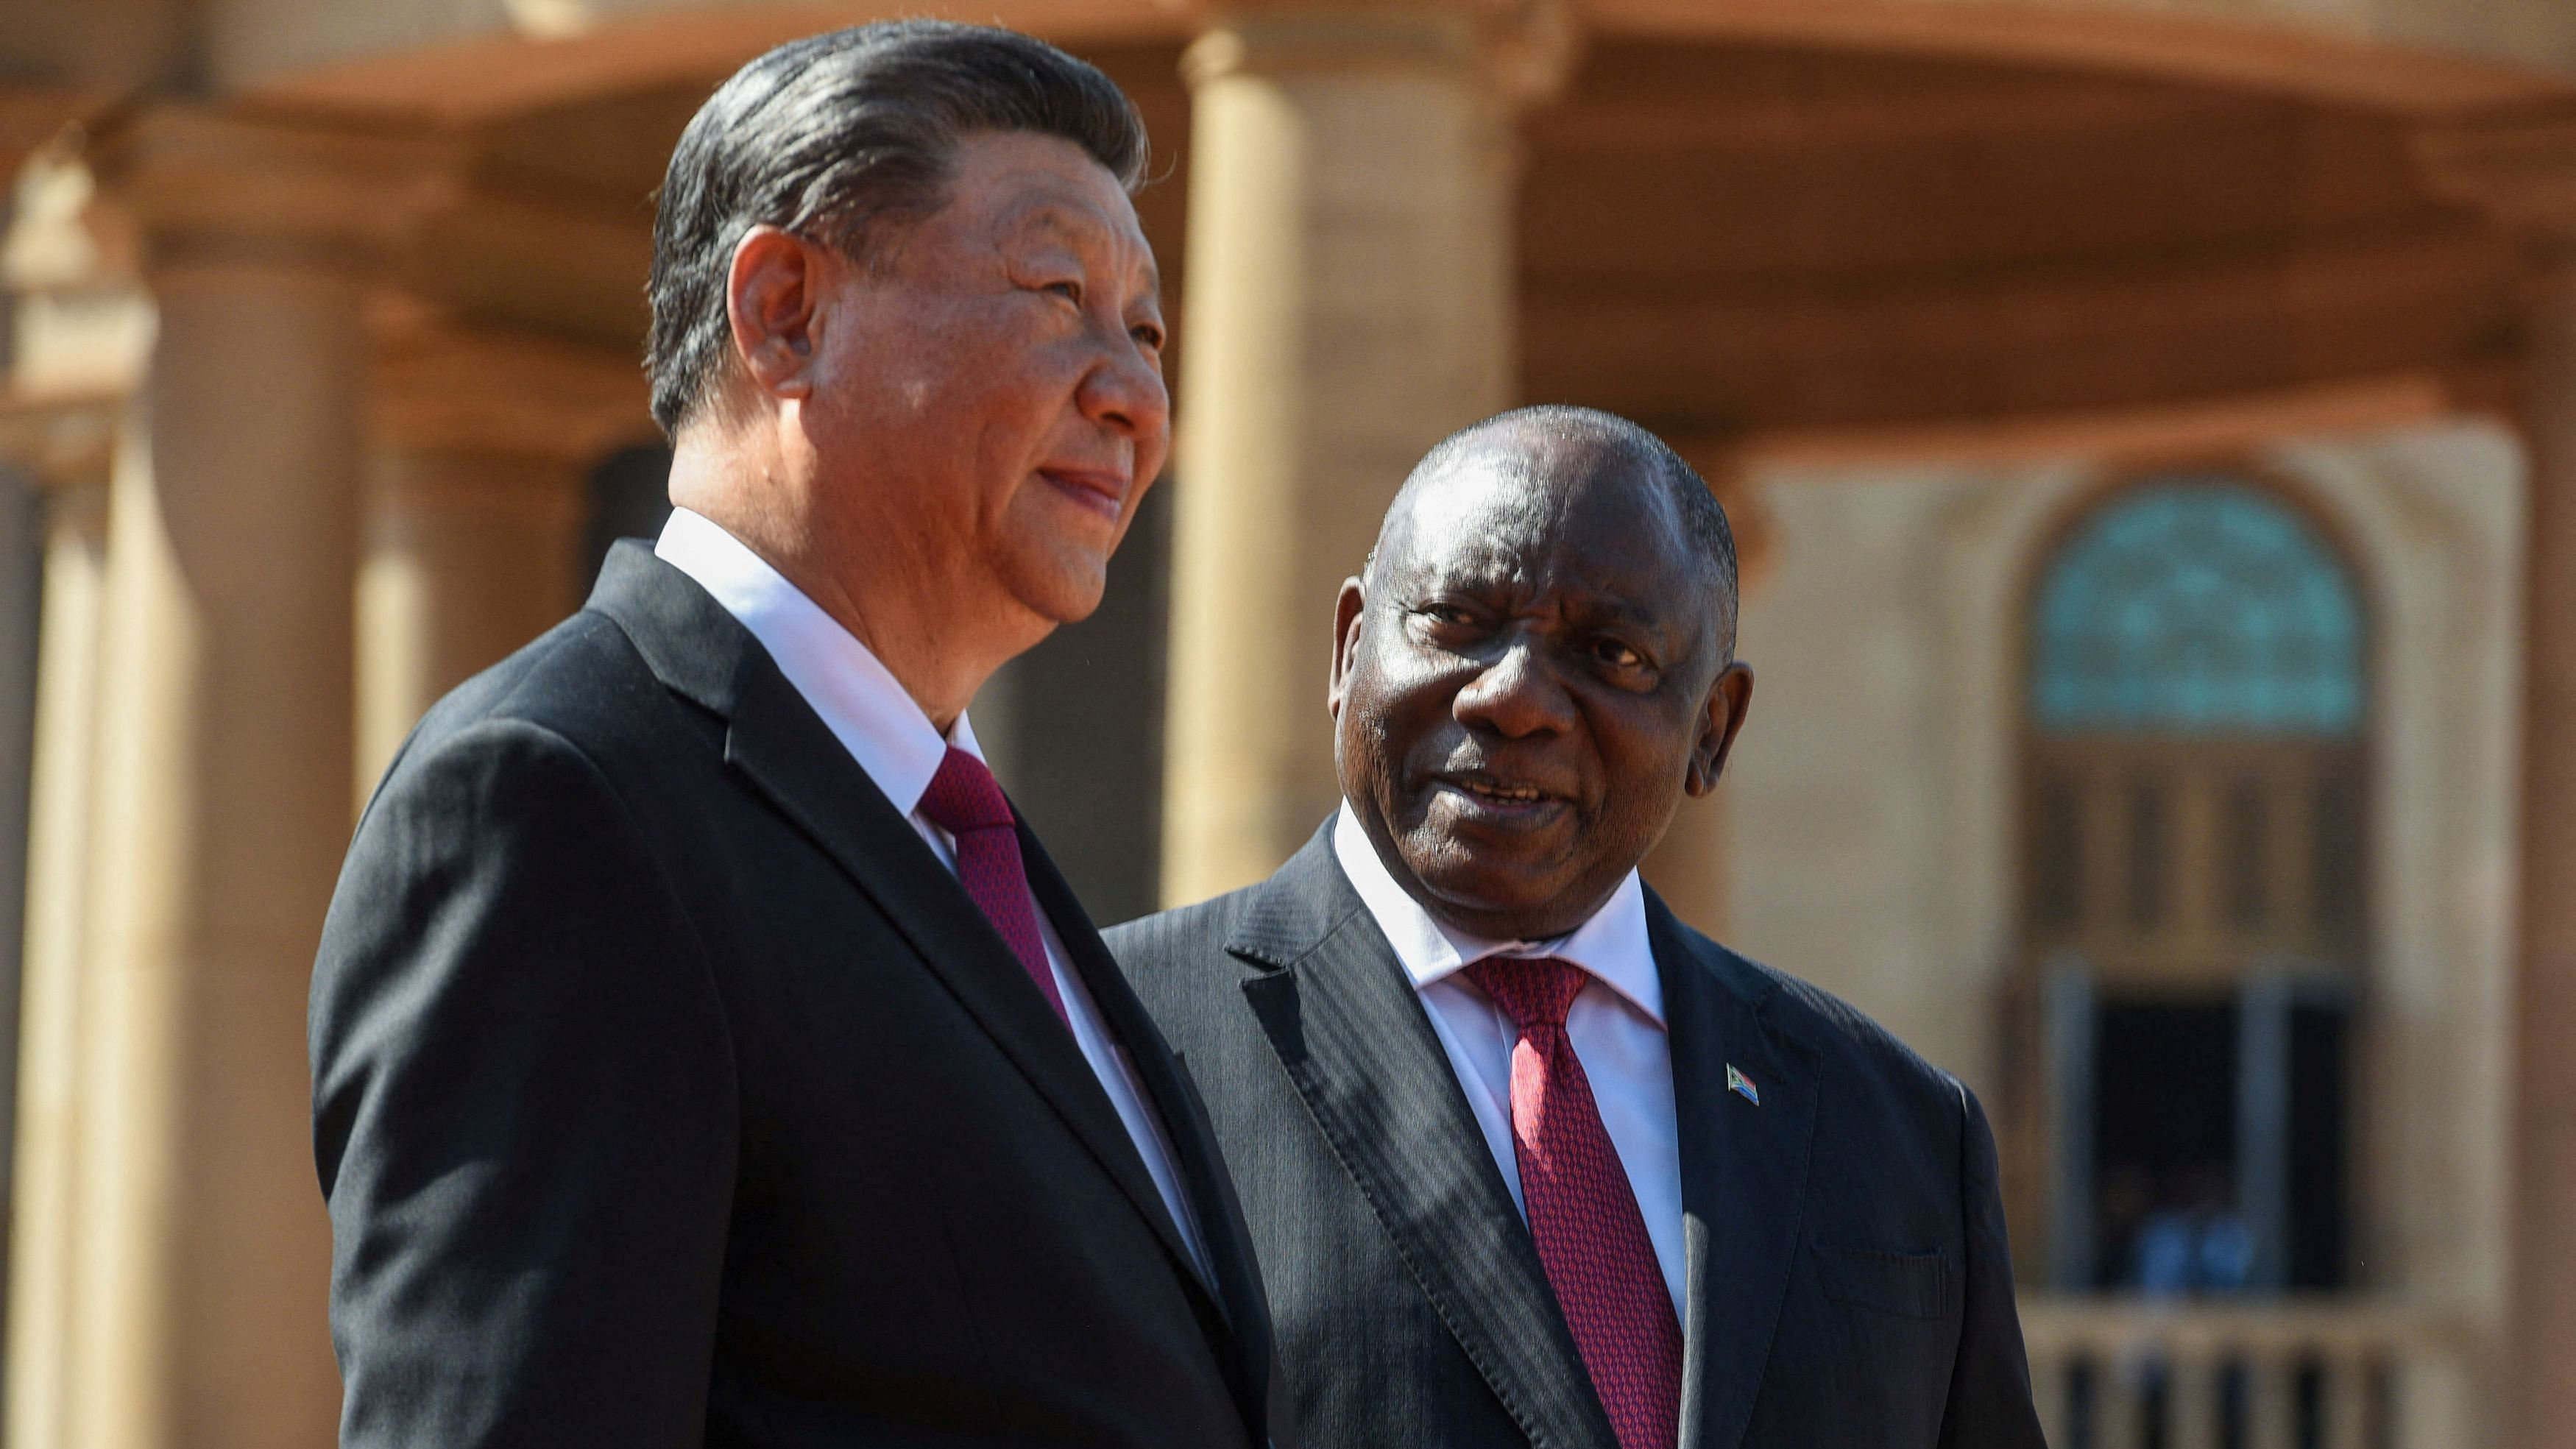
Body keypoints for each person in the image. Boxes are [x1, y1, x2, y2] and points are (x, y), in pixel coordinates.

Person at [309, 22, 1284, 1448]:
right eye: (1058, 289)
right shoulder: (561, 799)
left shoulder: (959, 850)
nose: (1135, 394)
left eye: (1145, 330)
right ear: (783, 312)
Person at [1108, 405, 2045, 1449]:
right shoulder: (1110, 1041)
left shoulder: (1899, 1129)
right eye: (1457, 620)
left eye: (1612, 653)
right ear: (1347, 649)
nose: (1514, 698)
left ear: (1713, 731)